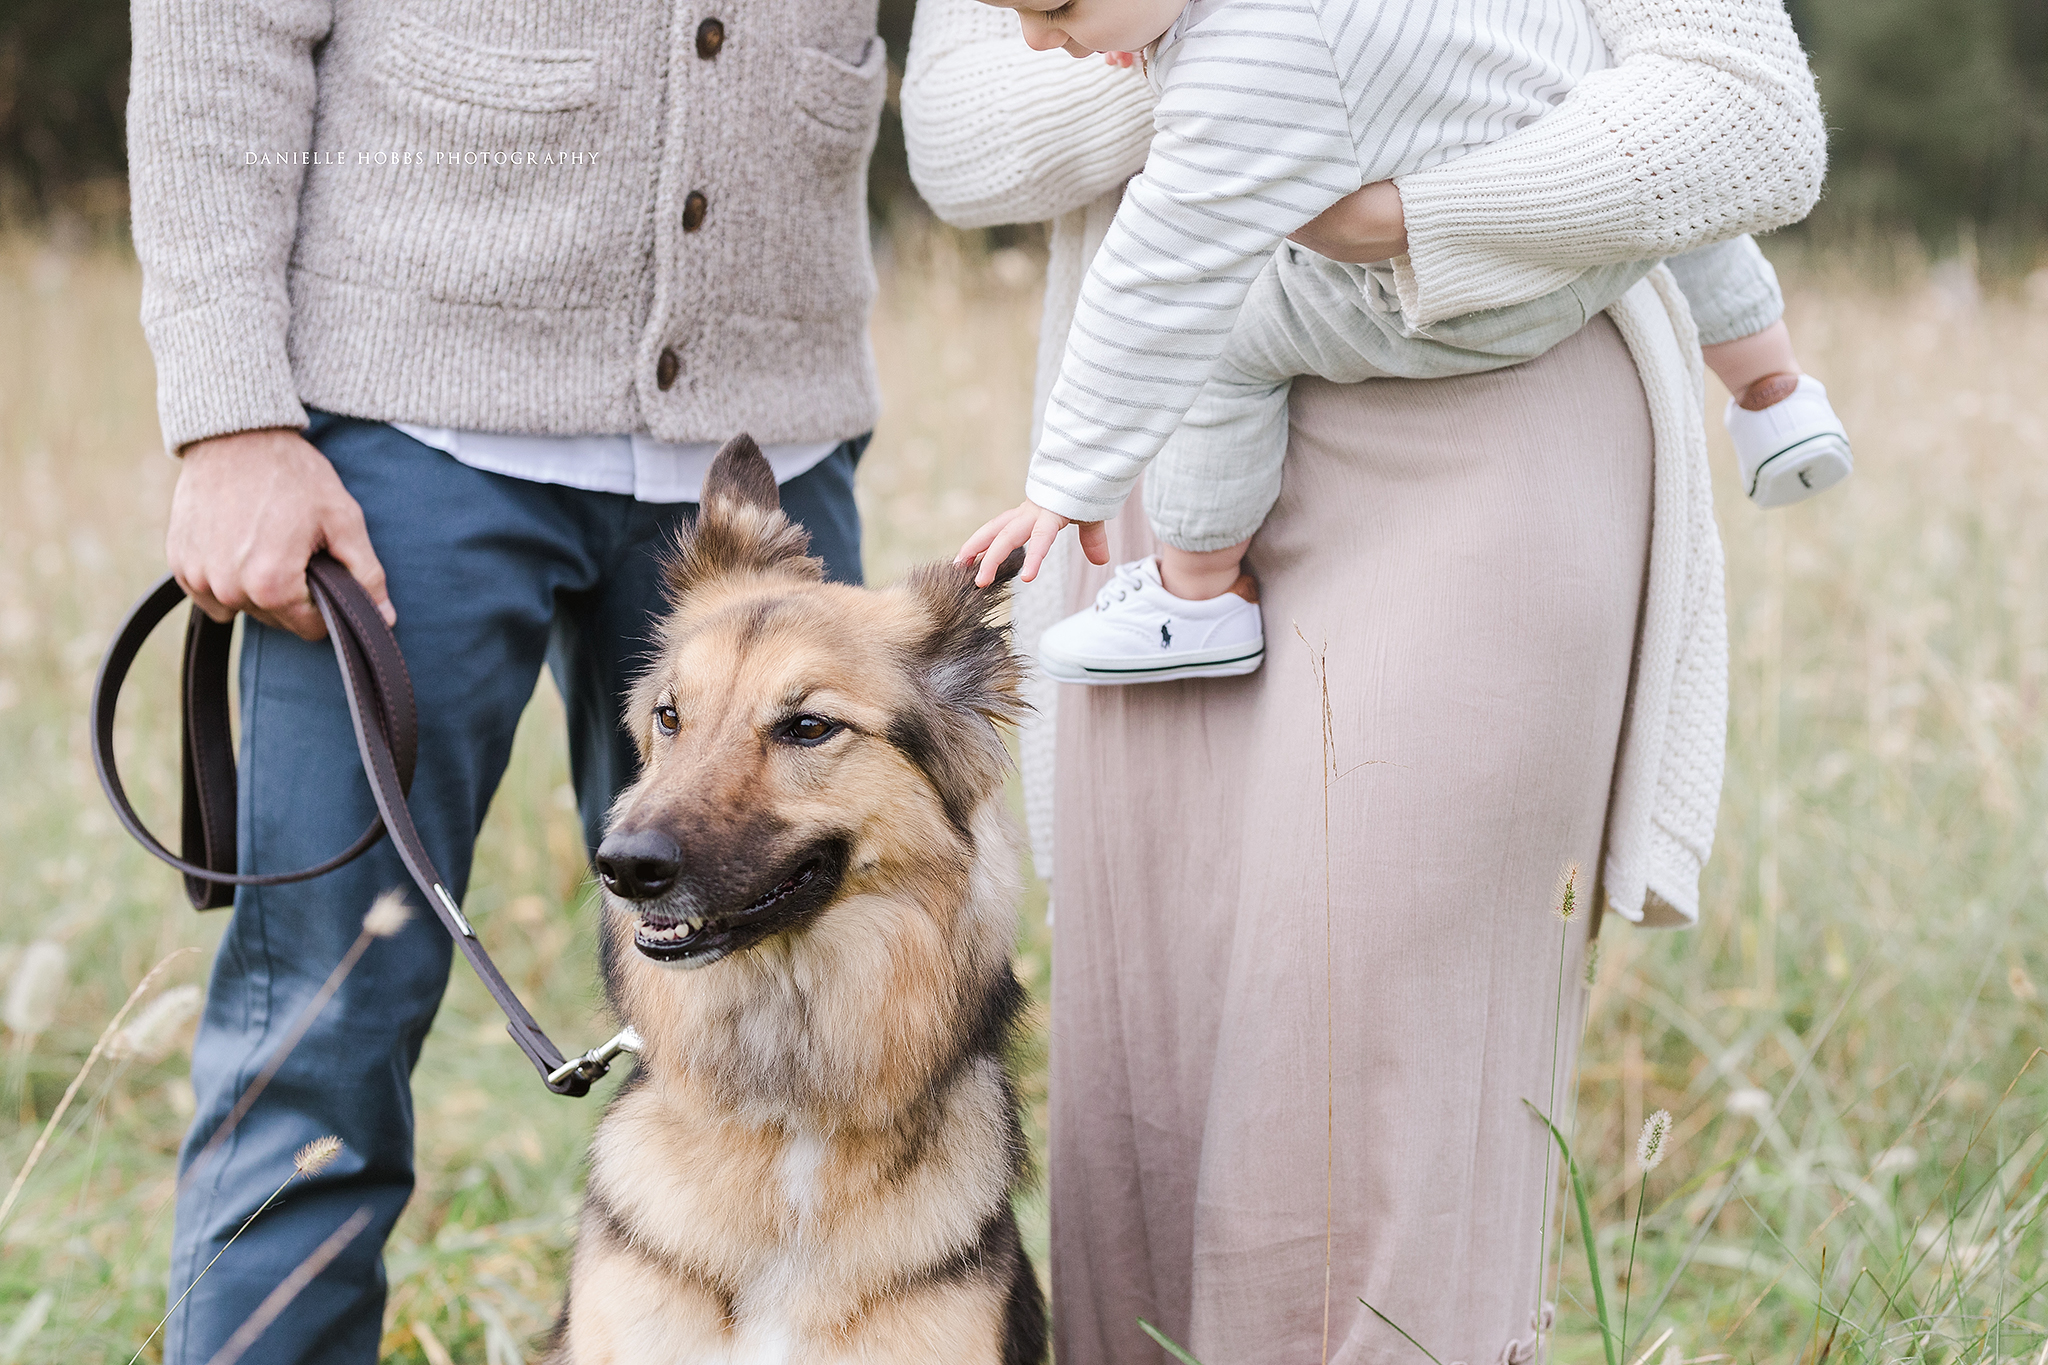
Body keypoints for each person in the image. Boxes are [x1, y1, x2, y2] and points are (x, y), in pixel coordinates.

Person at [905, 0, 1823, 1360]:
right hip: (1169, 442)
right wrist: (1259, 66)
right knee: (1156, 1042)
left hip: (1488, 418)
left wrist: (1407, 200)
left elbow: (1750, 117)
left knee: (1384, 1051)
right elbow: (964, 140)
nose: (1040, 29)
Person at [127, 4, 887, 1361]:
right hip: (407, 434)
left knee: (804, 1037)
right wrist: (229, 412)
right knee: (323, 1017)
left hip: (774, 432)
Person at [955, 0, 1850, 685]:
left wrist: (1067, 481)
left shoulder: (1248, 70)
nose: (1038, 41)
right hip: (1593, 213)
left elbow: (1157, 286)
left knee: (1225, 330)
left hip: (1477, 293)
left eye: (1059, 8)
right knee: (1671, 207)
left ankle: (1198, 592)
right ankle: (1773, 392)